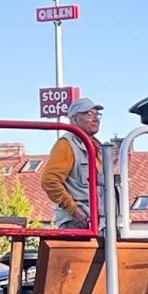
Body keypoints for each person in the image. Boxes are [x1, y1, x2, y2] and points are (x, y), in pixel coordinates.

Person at [40, 97, 103, 228]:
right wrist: (74, 210)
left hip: (97, 220)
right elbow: (49, 181)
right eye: (89, 114)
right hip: (76, 222)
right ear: (74, 119)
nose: (95, 118)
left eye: (97, 114)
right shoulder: (66, 145)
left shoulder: (97, 147)